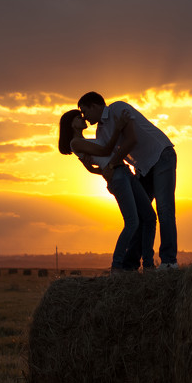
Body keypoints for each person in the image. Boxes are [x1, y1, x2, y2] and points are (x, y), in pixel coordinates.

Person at [76, 92, 177, 269]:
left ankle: (169, 262)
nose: (84, 116)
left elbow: (131, 140)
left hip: (161, 156)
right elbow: (109, 154)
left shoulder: (118, 108)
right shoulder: (101, 131)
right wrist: (96, 167)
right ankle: (130, 265)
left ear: (94, 105)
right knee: (141, 216)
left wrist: (112, 165)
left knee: (164, 209)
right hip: (143, 168)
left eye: (85, 111)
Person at [58, 109, 156, 273]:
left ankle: (148, 264)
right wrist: (117, 128)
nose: (83, 119)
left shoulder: (88, 141)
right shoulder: (75, 143)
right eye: (78, 117)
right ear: (71, 123)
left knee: (149, 217)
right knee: (132, 222)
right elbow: (104, 152)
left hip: (125, 172)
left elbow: (91, 168)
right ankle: (117, 266)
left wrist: (103, 170)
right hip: (118, 177)